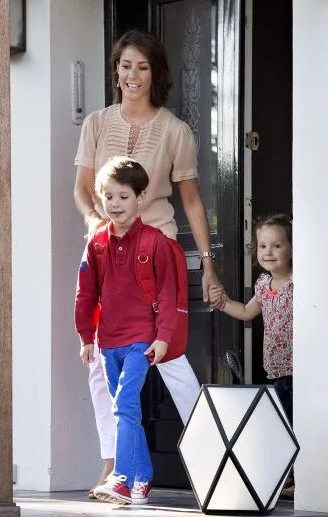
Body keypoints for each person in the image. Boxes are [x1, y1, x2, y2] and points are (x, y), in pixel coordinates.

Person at [73, 28, 223, 497]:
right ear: (115, 70)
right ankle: (115, 465)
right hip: (103, 248)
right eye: (125, 65)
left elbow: (192, 201)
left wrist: (208, 264)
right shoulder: (96, 123)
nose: (132, 75)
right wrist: (99, 223)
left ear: (155, 73)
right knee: (99, 359)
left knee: (170, 355)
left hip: (154, 248)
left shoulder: (176, 131)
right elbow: (81, 189)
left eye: (142, 66)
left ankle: (217, 459)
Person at [75, 156, 182, 505]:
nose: (114, 204)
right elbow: (86, 293)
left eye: (123, 196)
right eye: (108, 197)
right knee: (126, 409)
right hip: (107, 341)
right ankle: (143, 477)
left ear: (141, 197)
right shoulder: (97, 243)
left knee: (124, 404)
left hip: (141, 340)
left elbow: (168, 293)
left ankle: (120, 479)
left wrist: (163, 336)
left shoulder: (155, 242)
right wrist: (85, 337)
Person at [209, 213, 294, 497]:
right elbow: (246, 312)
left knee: (298, 423)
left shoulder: (299, 282)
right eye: (263, 246)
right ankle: (290, 479)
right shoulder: (263, 285)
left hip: (302, 369)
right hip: (277, 370)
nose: (268, 252)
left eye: (277, 245)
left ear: (292, 248)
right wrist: (222, 303)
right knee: (284, 425)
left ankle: (302, 480)